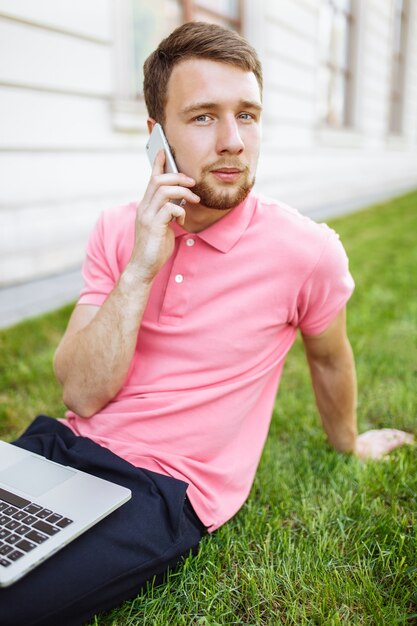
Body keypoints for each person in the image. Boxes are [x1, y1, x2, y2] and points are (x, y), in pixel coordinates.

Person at [1, 21, 412, 626]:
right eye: (202, 117)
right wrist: (141, 265)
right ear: (156, 138)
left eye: (247, 115)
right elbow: (83, 393)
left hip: (165, 492)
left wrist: (348, 443)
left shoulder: (306, 251)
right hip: (61, 444)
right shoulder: (118, 230)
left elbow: (329, 356)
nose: (233, 141)